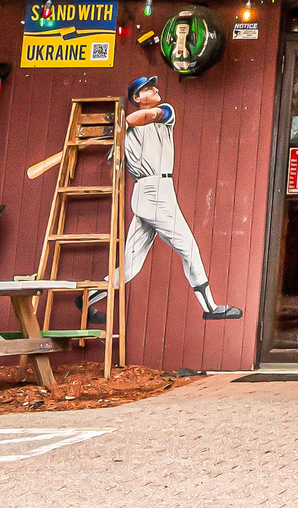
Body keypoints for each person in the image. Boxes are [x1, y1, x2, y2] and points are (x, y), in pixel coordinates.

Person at [88, 75, 241, 325]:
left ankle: (86, 300)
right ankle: (210, 306)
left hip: (151, 194)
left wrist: (121, 125)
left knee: (129, 268)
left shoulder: (164, 111)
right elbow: (112, 159)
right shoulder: (123, 133)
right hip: (154, 191)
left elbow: (146, 117)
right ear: (136, 98)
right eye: (147, 88)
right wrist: (118, 136)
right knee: (188, 248)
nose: (155, 89)